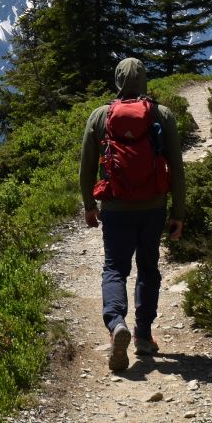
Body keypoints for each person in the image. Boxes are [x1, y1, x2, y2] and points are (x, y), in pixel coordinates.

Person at [80, 57, 186, 372]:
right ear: (144, 82)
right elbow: (177, 169)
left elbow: (86, 167)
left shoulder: (100, 116)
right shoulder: (161, 114)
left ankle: (116, 326)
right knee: (148, 268)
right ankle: (143, 335)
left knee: (114, 268)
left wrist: (89, 204)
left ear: (117, 80)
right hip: (153, 207)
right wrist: (178, 212)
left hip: (114, 207)